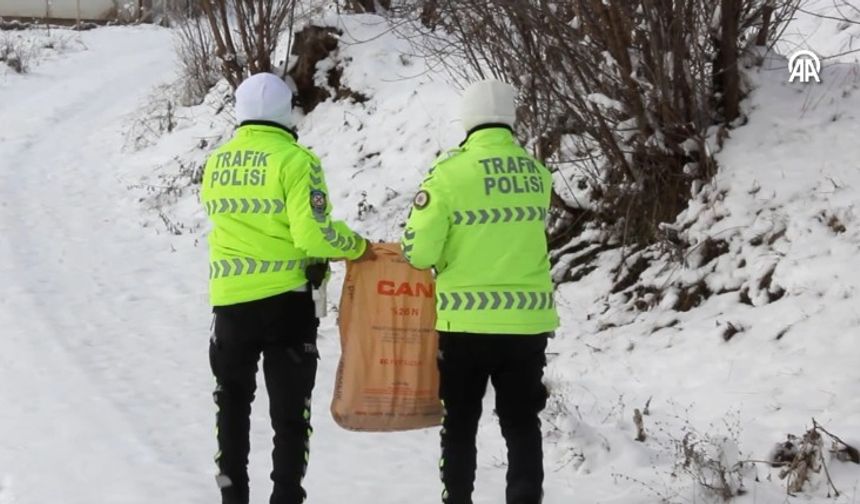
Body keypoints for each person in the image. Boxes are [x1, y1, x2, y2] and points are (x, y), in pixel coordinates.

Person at [201, 72, 374, 504]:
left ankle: (232, 496)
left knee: (232, 406)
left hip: (231, 305)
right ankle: (286, 497)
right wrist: (356, 247)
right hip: (287, 306)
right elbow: (313, 235)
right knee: (290, 416)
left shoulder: (217, 162)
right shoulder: (296, 161)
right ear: (287, 110)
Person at [401, 79, 559, 504]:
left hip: (465, 325)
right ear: (510, 117)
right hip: (527, 325)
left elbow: (418, 253)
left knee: (460, 424)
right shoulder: (537, 174)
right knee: (522, 424)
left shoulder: (448, 175)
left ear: (467, 120)